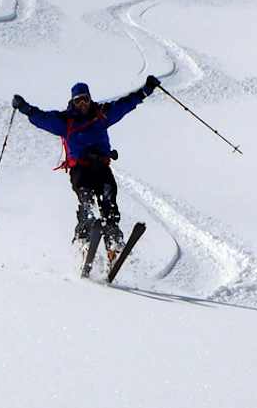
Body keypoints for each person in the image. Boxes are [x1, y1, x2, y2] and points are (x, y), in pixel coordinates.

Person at [13, 76, 161, 268]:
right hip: (80, 168)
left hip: (101, 167)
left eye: (85, 99)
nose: (82, 104)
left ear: (90, 99)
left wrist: (146, 90)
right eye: (78, 100)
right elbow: (43, 118)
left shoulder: (102, 115)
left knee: (108, 199)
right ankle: (84, 241)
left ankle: (113, 243)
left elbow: (125, 105)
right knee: (86, 199)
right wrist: (25, 108)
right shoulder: (65, 121)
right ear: (73, 102)